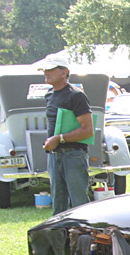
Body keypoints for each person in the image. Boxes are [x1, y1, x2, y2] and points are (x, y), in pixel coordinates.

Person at [39, 55, 94, 214]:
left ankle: (84, 236)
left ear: (64, 72)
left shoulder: (76, 95)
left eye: (50, 69)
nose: (46, 72)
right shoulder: (49, 95)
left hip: (73, 155)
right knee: (58, 204)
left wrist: (59, 139)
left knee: (79, 203)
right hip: (54, 155)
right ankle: (61, 237)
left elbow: (87, 130)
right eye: (45, 69)